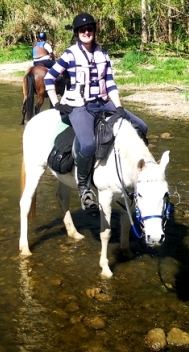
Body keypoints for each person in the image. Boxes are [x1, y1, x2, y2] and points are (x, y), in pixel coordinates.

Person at [44, 13, 148, 211]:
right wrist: (57, 103)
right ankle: (84, 188)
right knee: (88, 144)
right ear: (77, 33)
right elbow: (49, 78)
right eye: (82, 30)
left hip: (103, 102)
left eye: (89, 29)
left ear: (94, 31)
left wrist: (118, 107)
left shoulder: (103, 54)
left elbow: (110, 83)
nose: (86, 32)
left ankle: (137, 178)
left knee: (142, 126)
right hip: (80, 106)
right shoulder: (70, 54)